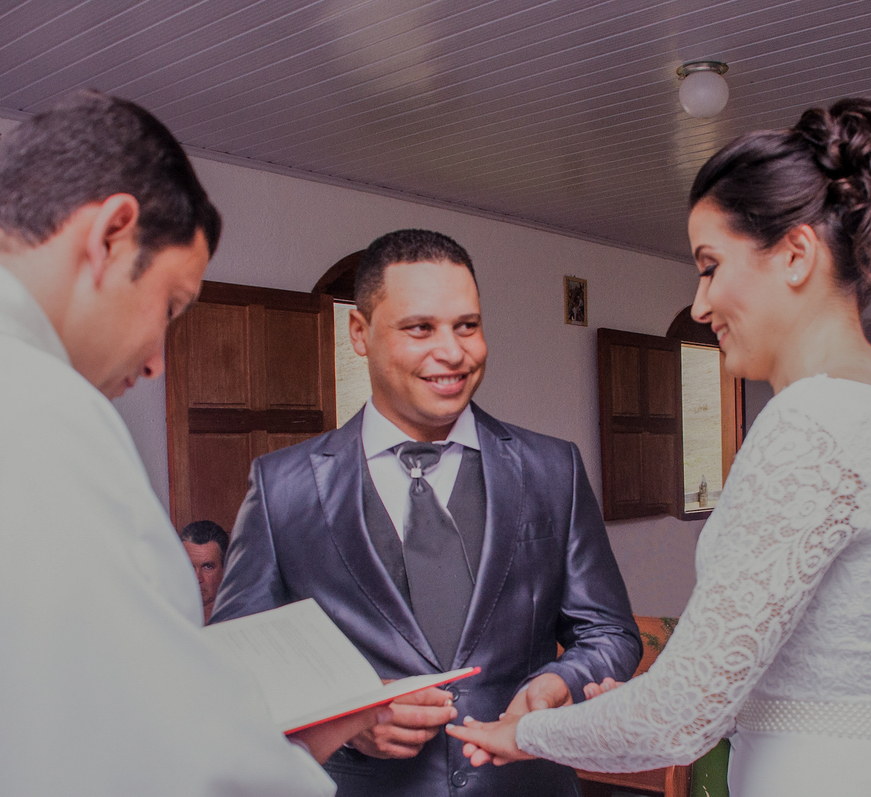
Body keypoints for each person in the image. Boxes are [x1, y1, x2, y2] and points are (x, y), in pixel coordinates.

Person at [447, 95, 871, 797]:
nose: (699, 305)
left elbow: (681, 717)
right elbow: (822, 678)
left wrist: (521, 733)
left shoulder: (812, 422)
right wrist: (612, 706)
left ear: (795, 253)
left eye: (709, 265)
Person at [0, 91, 386, 796]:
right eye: (171, 307)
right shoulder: (45, 408)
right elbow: (148, 736)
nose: (155, 362)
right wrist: (289, 760)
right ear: (112, 233)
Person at [211, 228, 642, 797]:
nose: (453, 352)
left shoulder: (551, 468)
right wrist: (346, 719)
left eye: (467, 326)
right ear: (359, 333)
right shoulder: (282, 486)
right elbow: (237, 669)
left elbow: (609, 632)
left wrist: (562, 681)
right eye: (421, 328)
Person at [179, 520, 230, 623]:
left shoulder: (243, 618)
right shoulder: (163, 617)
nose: (197, 579)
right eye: (189, 567)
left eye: (207, 567)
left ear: (225, 569)